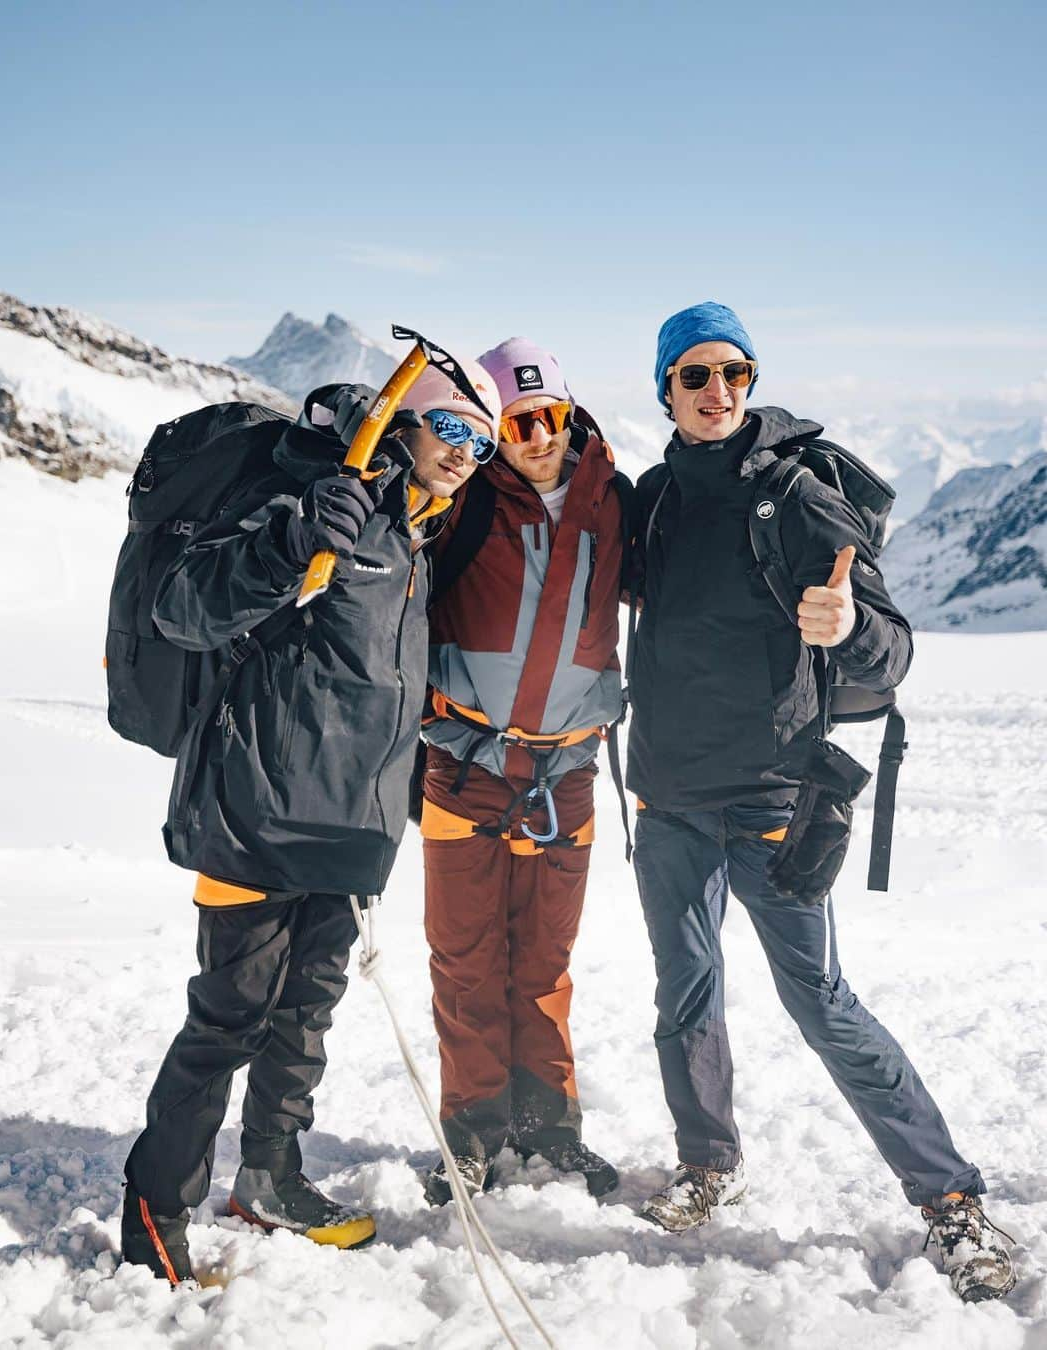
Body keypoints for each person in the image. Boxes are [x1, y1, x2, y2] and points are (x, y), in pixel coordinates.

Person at [627, 302, 1015, 1303]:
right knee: (684, 997)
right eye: (697, 377)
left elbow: (892, 650)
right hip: (668, 799)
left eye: (736, 374)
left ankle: (950, 1200)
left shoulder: (795, 498)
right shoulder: (655, 501)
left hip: (770, 796)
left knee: (826, 1007)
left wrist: (845, 624)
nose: (719, 393)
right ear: (664, 388)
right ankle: (708, 1165)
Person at [121, 359, 502, 1285]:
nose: (466, 453)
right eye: (451, 429)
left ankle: (271, 1179)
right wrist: (285, 543)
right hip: (256, 811)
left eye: (480, 441)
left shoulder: (416, 530)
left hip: (350, 824)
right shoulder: (319, 499)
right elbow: (183, 608)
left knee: (304, 1014)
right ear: (403, 425)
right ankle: (157, 1216)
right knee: (228, 1020)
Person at [418, 337, 628, 1204]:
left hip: (566, 776)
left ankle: (549, 1126)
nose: (534, 437)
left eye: (547, 417)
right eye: (512, 421)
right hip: (463, 769)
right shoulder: (459, 504)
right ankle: (472, 1128)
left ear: (569, 412)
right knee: (466, 959)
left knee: (542, 962)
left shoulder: (618, 501)